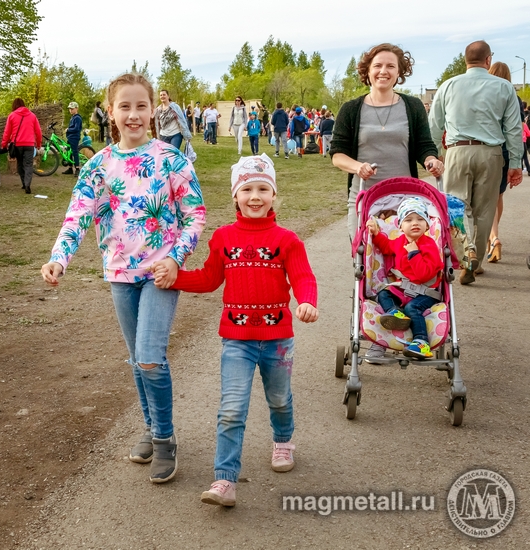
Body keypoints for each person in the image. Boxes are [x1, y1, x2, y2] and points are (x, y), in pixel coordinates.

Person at [40, 72, 206, 485]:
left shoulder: (172, 160)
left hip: (160, 274)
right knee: (137, 359)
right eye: (124, 107)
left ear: (154, 110)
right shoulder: (98, 165)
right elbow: (78, 214)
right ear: (111, 112)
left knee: (150, 356)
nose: (133, 114)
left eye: (141, 106)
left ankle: (165, 439)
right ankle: (151, 428)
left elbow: (195, 216)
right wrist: (59, 257)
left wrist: (176, 257)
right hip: (119, 274)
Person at [153, 153, 318, 507]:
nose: (255, 196)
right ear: (235, 196)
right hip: (237, 341)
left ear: (274, 195)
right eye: (247, 189)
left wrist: (306, 300)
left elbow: (303, 276)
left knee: (279, 399)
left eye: (263, 189)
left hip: (277, 340)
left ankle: (283, 440)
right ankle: (224, 480)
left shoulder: (287, 240)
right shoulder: (223, 238)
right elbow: (210, 279)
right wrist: (174, 277)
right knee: (231, 410)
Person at [329, 42, 443, 362]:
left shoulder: (411, 106)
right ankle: (377, 337)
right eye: (378, 65)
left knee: (406, 268)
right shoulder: (352, 109)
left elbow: (424, 145)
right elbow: (337, 154)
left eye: (391, 66)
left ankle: (412, 330)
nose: (384, 71)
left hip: (407, 202)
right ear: (367, 71)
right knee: (369, 266)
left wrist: (432, 160)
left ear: (399, 72)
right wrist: (357, 167)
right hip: (365, 198)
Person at [429, 41, 523, 284]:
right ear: (488, 60)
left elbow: (434, 124)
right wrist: (514, 162)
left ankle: (465, 251)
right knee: (484, 210)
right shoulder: (504, 88)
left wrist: (435, 154)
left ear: (465, 61)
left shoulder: (448, 86)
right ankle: (476, 261)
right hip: (491, 153)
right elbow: (513, 128)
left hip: (458, 151)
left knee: (457, 206)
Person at [366, 197, 442, 360]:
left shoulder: (429, 246)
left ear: (427, 225)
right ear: (400, 226)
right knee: (383, 293)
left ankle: (421, 342)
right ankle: (394, 313)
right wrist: (376, 233)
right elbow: (386, 247)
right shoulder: (400, 241)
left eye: (420, 219)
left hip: (425, 293)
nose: (415, 223)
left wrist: (414, 253)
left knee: (412, 309)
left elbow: (425, 274)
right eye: (409, 220)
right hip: (403, 290)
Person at [484, 62, 526, 266]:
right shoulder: (513, 97)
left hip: (487, 148)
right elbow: (517, 127)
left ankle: (492, 237)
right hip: (507, 150)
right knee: (498, 196)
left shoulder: (486, 95)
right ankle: (493, 237)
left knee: (486, 196)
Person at [0, 97, 42, 194]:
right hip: (29, 144)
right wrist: (39, 143)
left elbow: (7, 132)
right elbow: (38, 131)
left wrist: (4, 144)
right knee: (28, 164)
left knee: (19, 163)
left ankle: (24, 183)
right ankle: (28, 184)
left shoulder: (12, 116)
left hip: (17, 144)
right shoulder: (32, 116)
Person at [63, 101, 82, 176]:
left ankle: (77, 168)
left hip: (74, 137)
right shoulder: (73, 117)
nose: (70, 110)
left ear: (76, 108)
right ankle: (70, 168)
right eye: (70, 109)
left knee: (74, 152)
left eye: (72, 109)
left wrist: (68, 130)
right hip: (70, 137)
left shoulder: (77, 118)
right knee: (69, 152)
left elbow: (76, 128)